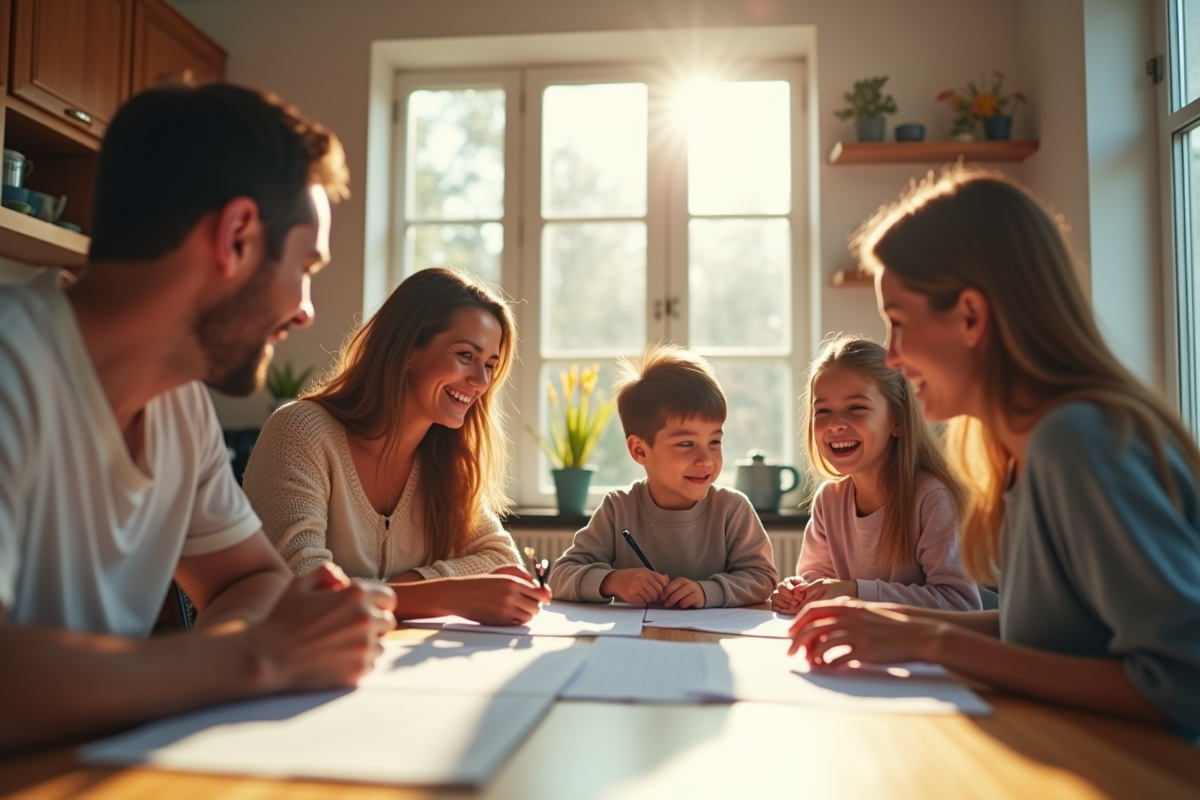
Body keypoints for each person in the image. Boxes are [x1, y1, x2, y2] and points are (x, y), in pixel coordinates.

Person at [0, 84, 397, 754]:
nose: (306, 311)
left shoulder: (179, 401)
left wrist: (234, 660)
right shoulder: (14, 366)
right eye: (305, 266)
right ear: (236, 236)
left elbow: (252, 580)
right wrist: (254, 659)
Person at [787, 170, 1200, 735]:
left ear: (972, 317)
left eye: (900, 324)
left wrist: (929, 639)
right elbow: (1046, 635)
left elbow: (1182, 681)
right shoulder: (1024, 451)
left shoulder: (1077, 440)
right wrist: (889, 621)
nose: (896, 356)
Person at [242, 268, 550, 626]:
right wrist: (449, 594)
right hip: (276, 670)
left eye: (490, 365)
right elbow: (303, 588)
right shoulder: (300, 432)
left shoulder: (444, 461)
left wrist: (403, 588)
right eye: (466, 355)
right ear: (406, 350)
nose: (481, 382)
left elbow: (501, 559)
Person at [549, 343, 778, 607]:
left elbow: (762, 578)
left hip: (707, 644)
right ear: (640, 450)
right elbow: (560, 576)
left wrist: (708, 592)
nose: (705, 459)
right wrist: (612, 581)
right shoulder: (618, 508)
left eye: (714, 442)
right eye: (686, 444)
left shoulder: (732, 509)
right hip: (636, 643)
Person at [772, 335, 980, 614]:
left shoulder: (932, 497)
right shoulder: (829, 500)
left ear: (897, 420)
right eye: (822, 411)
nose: (835, 425)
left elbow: (961, 603)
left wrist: (856, 591)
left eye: (856, 408)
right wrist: (798, 593)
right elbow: (816, 581)